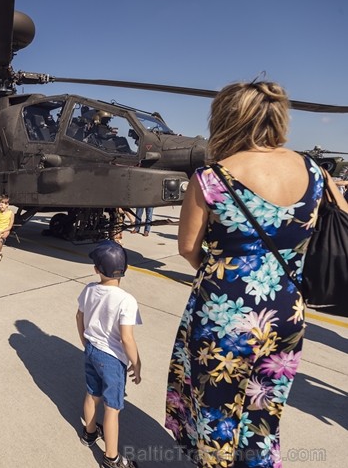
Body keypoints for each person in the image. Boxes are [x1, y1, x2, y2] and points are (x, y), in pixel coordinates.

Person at [166, 81, 348, 468]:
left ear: (226, 119)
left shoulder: (211, 178)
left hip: (224, 316)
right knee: (262, 412)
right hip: (287, 311)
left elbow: (186, 248)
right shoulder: (315, 171)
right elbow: (339, 221)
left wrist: (228, 276)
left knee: (217, 418)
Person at [76, 241, 142, 468]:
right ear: (125, 269)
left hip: (92, 350)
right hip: (112, 359)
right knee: (112, 408)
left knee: (92, 393)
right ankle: (112, 458)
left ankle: (89, 433)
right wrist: (137, 362)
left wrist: (85, 340)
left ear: (96, 269)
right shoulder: (126, 300)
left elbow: (79, 317)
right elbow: (126, 338)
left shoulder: (89, 290)